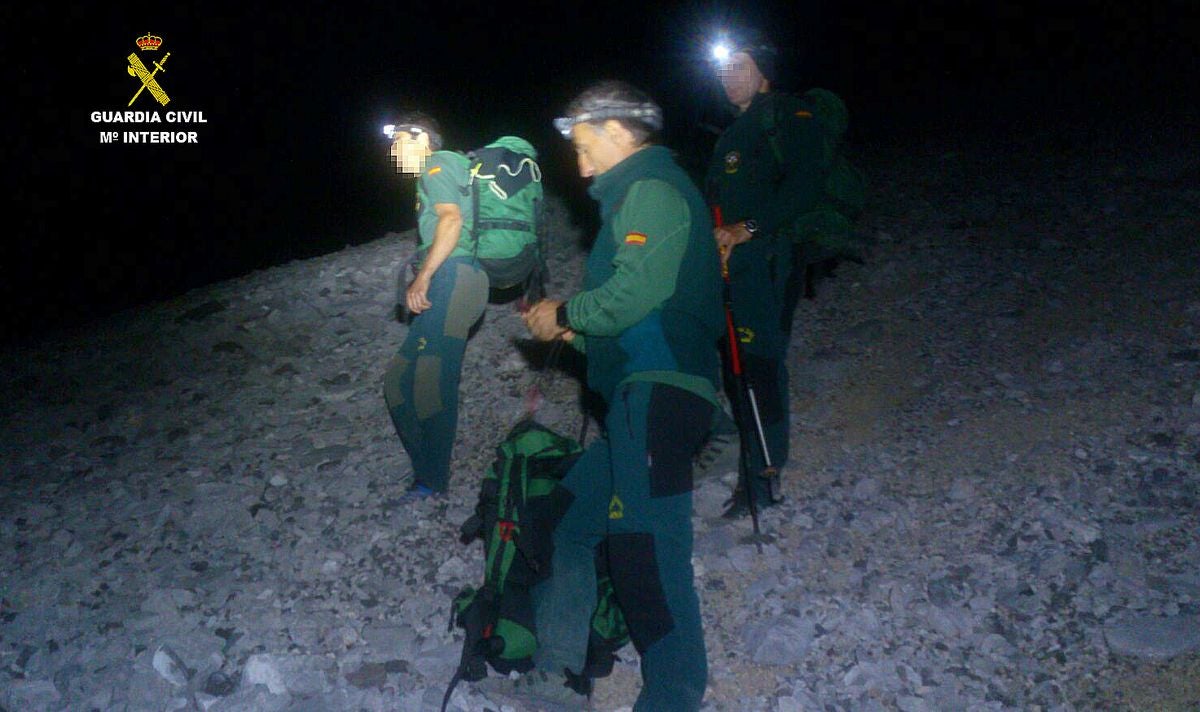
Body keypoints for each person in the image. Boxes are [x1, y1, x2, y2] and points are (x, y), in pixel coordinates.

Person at [482, 80, 723, 711]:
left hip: (662, 393)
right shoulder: (630, 201)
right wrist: (564, 326)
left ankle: (673, 695)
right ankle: (561, 671)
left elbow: (628, 300)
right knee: (564, 523)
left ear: (619, 131)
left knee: (647, 552)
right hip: (632, 405)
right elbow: (620, 329)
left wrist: (568, 312)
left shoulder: (652, 188)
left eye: (587, 148)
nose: (582, 166)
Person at [706, 33, 827, 517]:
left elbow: (806, 184)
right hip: (738, 264)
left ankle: (763, 478)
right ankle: (751, 461)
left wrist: (749, 228)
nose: (728, 75)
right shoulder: (737, 129)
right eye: (723, 67)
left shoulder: (787, 116)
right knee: (739, 365)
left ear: (764, 70)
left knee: (759, 365)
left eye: (740, 64)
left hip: (771, 259)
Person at [382, 113, 490, 500]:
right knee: (398, 382)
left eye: (398, 141)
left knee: (430, 380)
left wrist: (424, 276)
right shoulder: (436, 172)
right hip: (455, 279)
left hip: (454, 277)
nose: (393, 150)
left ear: (422, 139)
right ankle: (426, 467)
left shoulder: (438, 164)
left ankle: (432, 480)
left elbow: (451, 220)